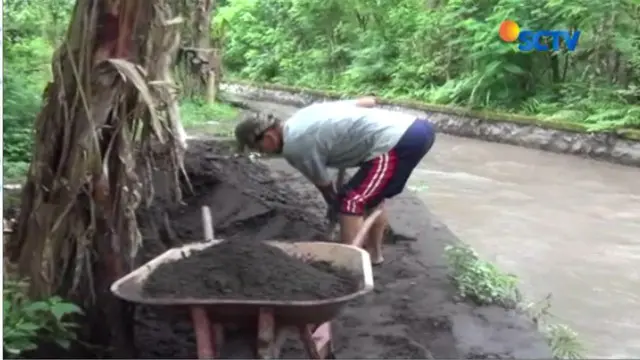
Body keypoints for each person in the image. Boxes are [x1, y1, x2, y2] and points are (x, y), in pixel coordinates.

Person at [234, 97, 436, 265]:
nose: (262, 153)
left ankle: (345, 266)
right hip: (416, 127)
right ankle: (374, 256)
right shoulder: (303, 115)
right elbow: (367, 101)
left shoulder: (295, 146)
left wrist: (335, 207)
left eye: (258, 148)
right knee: (371, 198)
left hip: (397, 140)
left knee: (352, 201)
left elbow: (324, 185)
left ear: (268, 137)